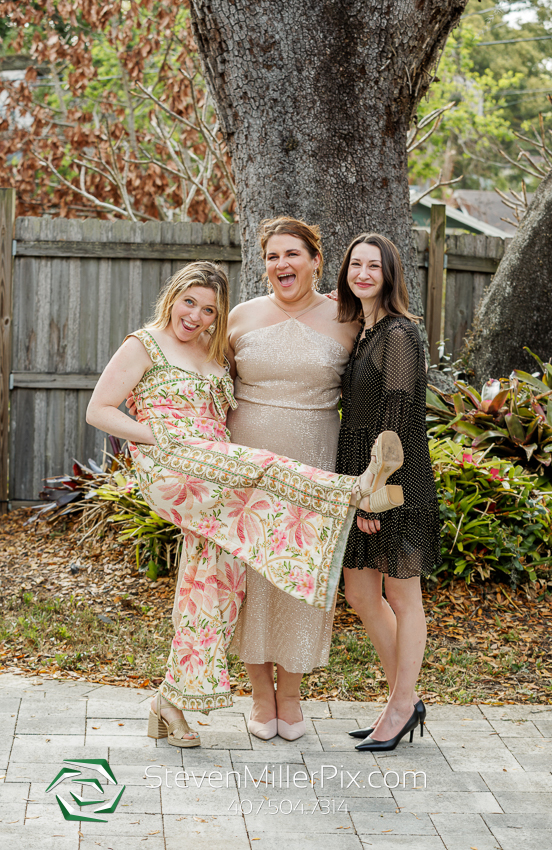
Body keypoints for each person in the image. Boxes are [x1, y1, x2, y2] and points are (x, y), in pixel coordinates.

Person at [86, 261, 390, 748]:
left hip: (215, 473)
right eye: (189, 302)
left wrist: (338, 304)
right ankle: (354, 491)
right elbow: (98, 410)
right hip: (174, 466)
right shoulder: (143, 344)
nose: (195, 316)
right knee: (266, 467)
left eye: (209, 310)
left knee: (214, 587)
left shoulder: (211, 351)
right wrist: (159, 437)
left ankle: (169, 702)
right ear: (172, 297)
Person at [227, 217, 359, 741]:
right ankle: (261, 696)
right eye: (272, 256)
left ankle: (292, 696)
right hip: (247, 469)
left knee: (301, 575)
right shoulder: (240, 316)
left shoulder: (348, 319)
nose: (281, 264)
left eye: (292, 254)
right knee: (251, 577)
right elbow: (210, 384)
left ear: (315, 261)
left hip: (314, 468)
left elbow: (369, 398)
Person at [335, 234, 441, 753]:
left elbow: (396, 417)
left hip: (392, 479)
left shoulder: (399, 333)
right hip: (361, 474)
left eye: (373, 266)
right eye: (355, 264)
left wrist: (374, 492)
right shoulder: (364, 330)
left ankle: (400, 706)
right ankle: (406, 699)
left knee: (401, 595)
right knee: (360, 593)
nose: (362, 273)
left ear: (390, 274)